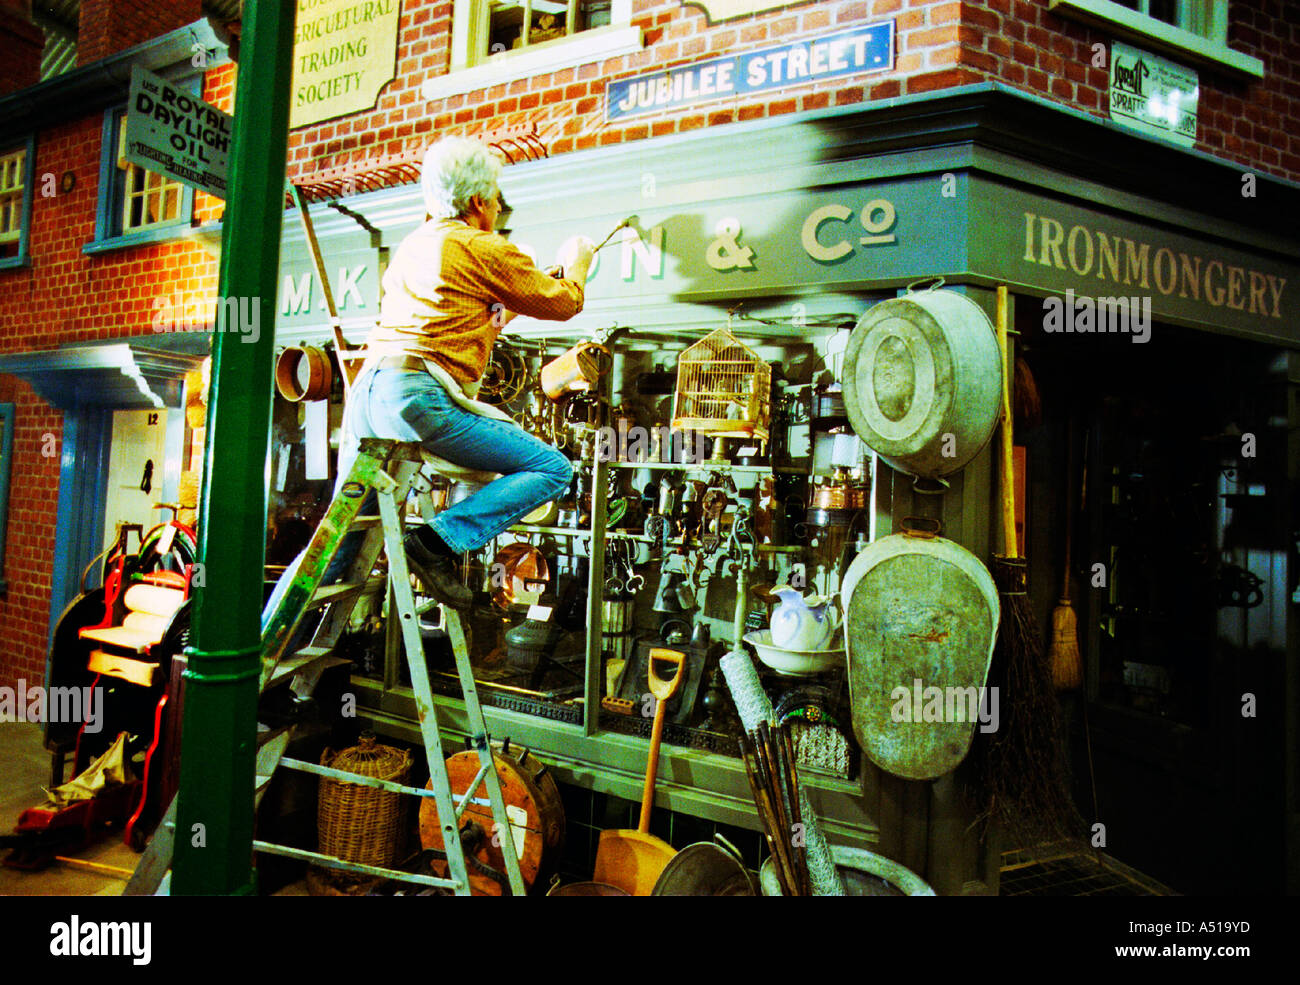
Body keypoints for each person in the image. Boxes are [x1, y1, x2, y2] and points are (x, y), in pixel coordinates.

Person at [337, 136, 595, 609]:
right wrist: (579, 262)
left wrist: (506, 309)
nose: (498, 208)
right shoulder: (482, 244)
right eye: (496, 199)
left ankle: (285, 668)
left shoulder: (414, 246)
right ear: (477, 201)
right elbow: (565, 304)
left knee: (339, 544)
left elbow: (467, 320)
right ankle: (434, 544)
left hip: (369, 396)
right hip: (414, 395)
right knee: (552, 467)